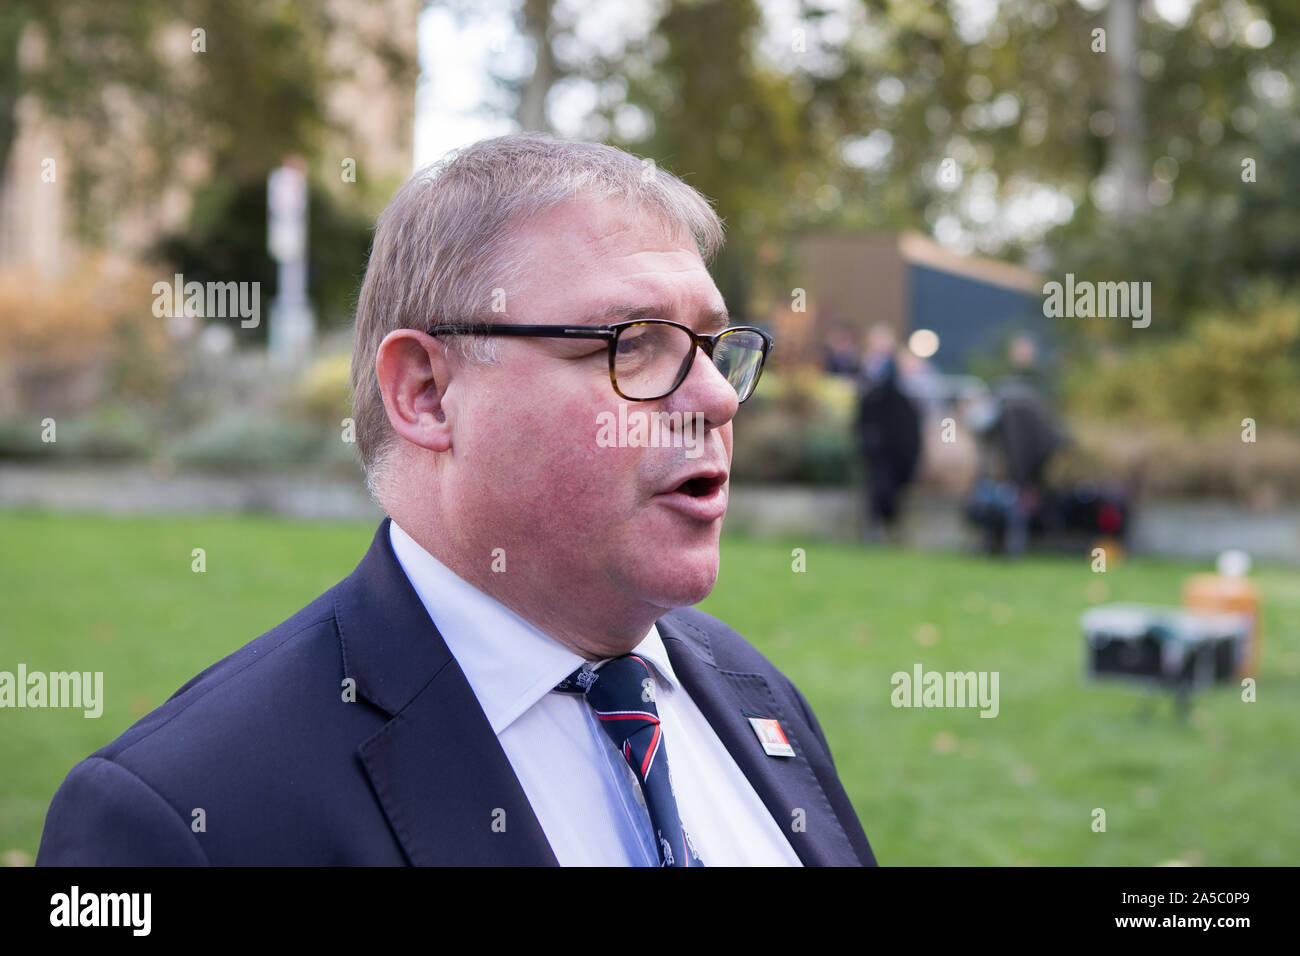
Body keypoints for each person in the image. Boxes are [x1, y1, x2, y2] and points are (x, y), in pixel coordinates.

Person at [36, 133, 876, 867]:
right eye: (634, 344)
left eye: (711, 346)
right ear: (429, 393)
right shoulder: (185, 814)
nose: (720, 401)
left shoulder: (755, 694)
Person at [854, 324, 921, 539]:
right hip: (877, 445)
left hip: (896, 444)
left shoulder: (900, 370)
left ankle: (883, 528)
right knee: (879, 485)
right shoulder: (866, 369)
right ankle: (879, 529)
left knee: (888, 487)